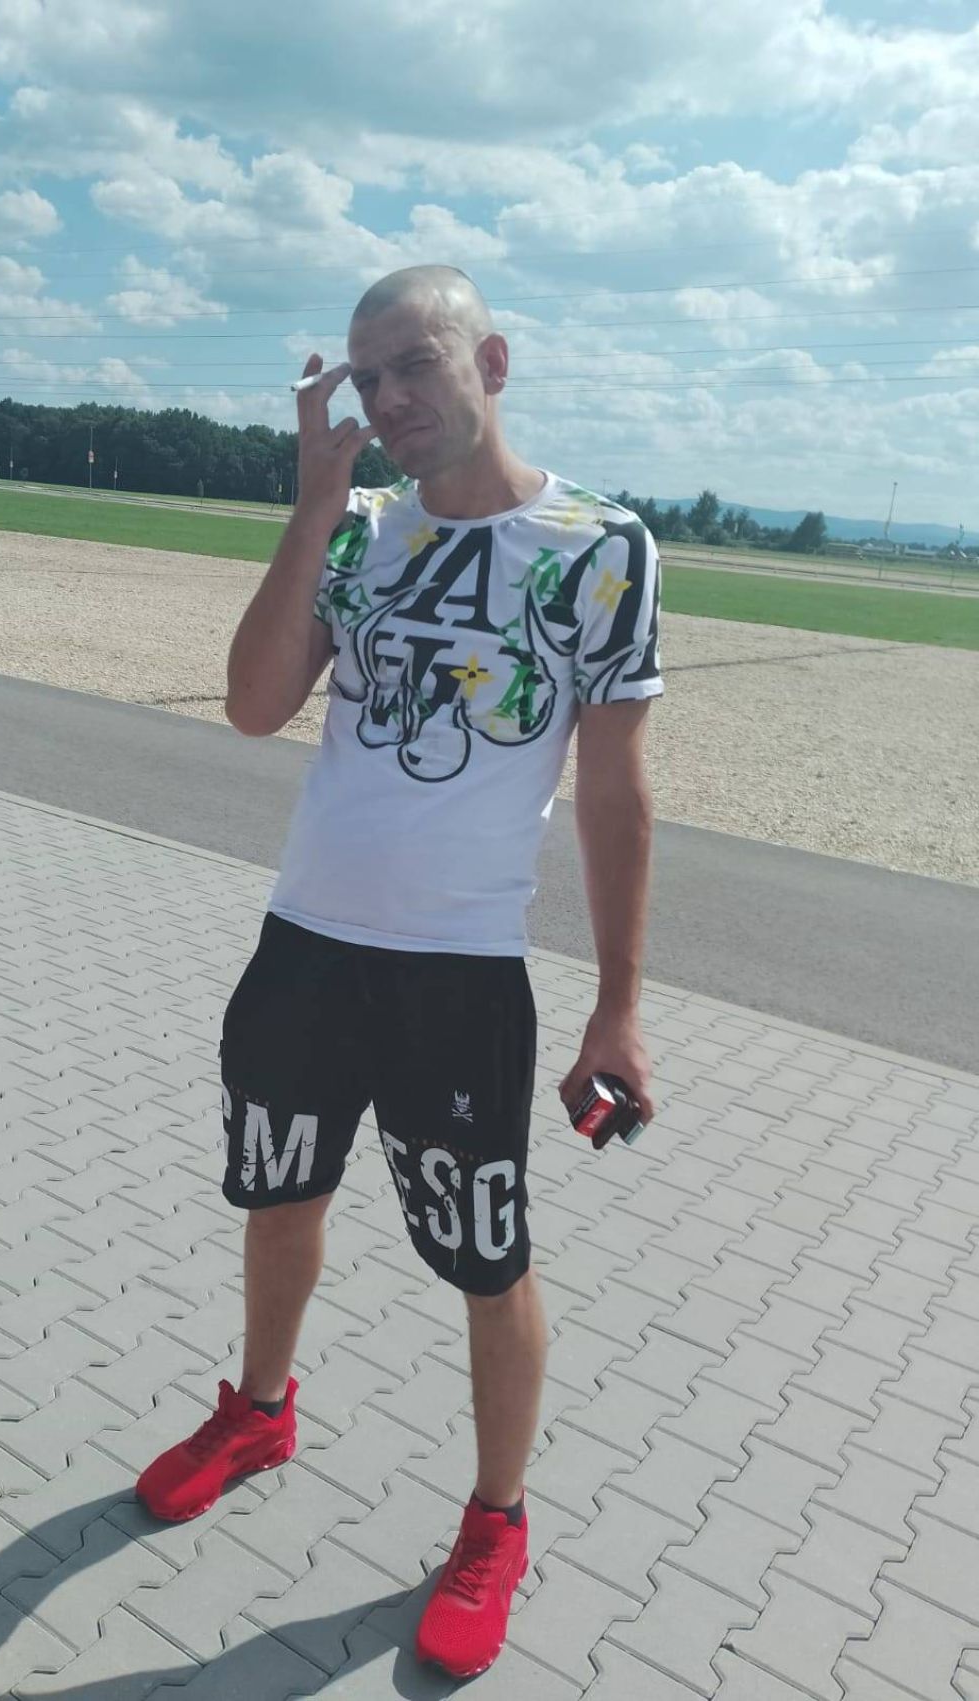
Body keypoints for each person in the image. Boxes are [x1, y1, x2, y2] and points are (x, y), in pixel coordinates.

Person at [135, 265, 663, 1678]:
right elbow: (255, 707)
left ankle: (495, 1519)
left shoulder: (600, 547)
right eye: (367, 378)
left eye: (414, 363)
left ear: (492, 358)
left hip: (460, 976)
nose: (389, 398)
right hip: (308, 947)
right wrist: (312, 507)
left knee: (487, 1256)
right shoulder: (362, 532)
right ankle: (260, 1411)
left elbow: (616, 791)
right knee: (278, 1198)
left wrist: (618, 1005)